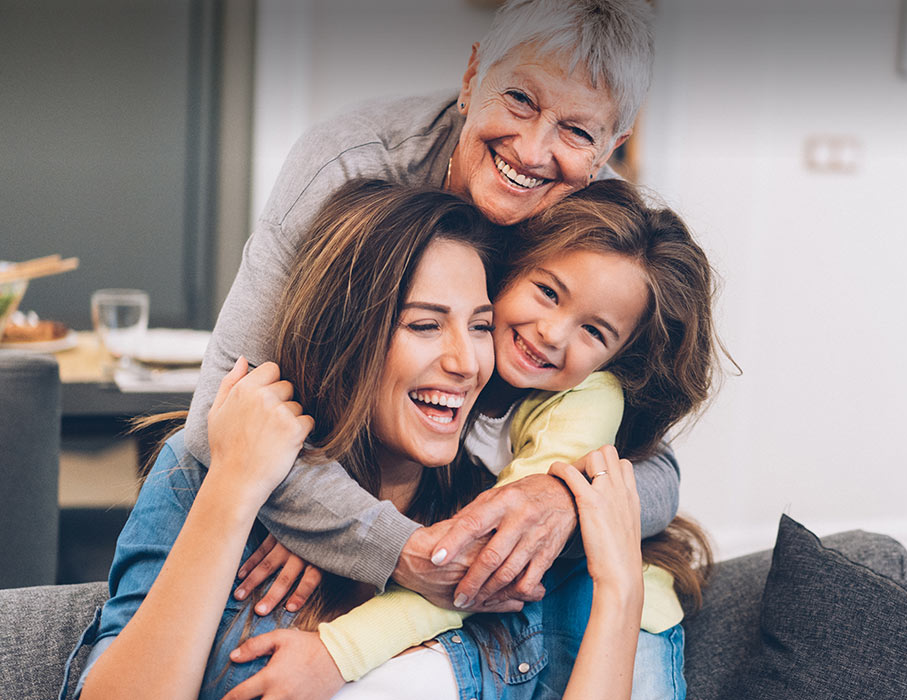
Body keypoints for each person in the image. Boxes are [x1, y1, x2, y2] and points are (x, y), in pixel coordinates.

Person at [75, 179, 715, 700]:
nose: (467, 363)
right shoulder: (205, 476)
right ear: (346, 335)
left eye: (481, 326)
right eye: (425, 325)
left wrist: (604, 557)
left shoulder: (492, 519)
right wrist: (236, 490)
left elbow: (635, 464)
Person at [186, 0, 672, 623]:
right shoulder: (350, 166)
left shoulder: (595, 228)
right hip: (332, 493)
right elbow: (218, 419)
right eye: (520, 99)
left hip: (454, 501)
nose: (531, 149)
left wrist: (560, 499)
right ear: (473, 78)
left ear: (613, 144)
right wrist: (385, 542)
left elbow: (657, 468)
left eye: (578, 132)